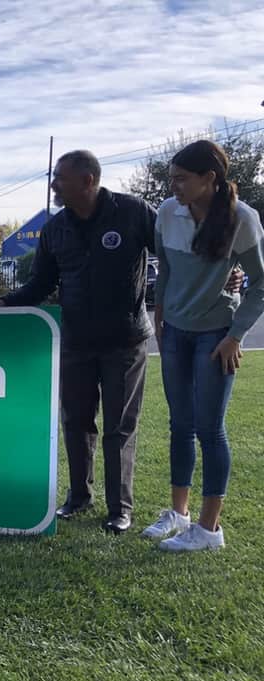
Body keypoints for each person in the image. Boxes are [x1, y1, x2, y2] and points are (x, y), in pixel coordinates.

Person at [0, 150, 156, 534]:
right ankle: (79, 497)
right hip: (75, 342)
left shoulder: (133, 212)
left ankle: (120, 508)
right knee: (75, 422)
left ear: (87, 180)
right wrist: (5, 303)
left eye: (59, 177)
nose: (53, 185)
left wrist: (222, 273)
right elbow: (40, 285)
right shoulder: (55, 229)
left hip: (125, 341)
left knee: (119, 427)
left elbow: (178, 251)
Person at [140, 140, 264, 552]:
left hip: (216, 336)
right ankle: (179, 513)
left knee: (210, 429)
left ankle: (210, 530)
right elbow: (165, 269)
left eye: (181, 179)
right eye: (171, 178)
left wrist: (235, 336)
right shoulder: (167, 212)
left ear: (209, 178)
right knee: (180, 425)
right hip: (175, 331)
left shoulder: (242, 219)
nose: (172, 186)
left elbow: (260, 283)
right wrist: (159, 317)